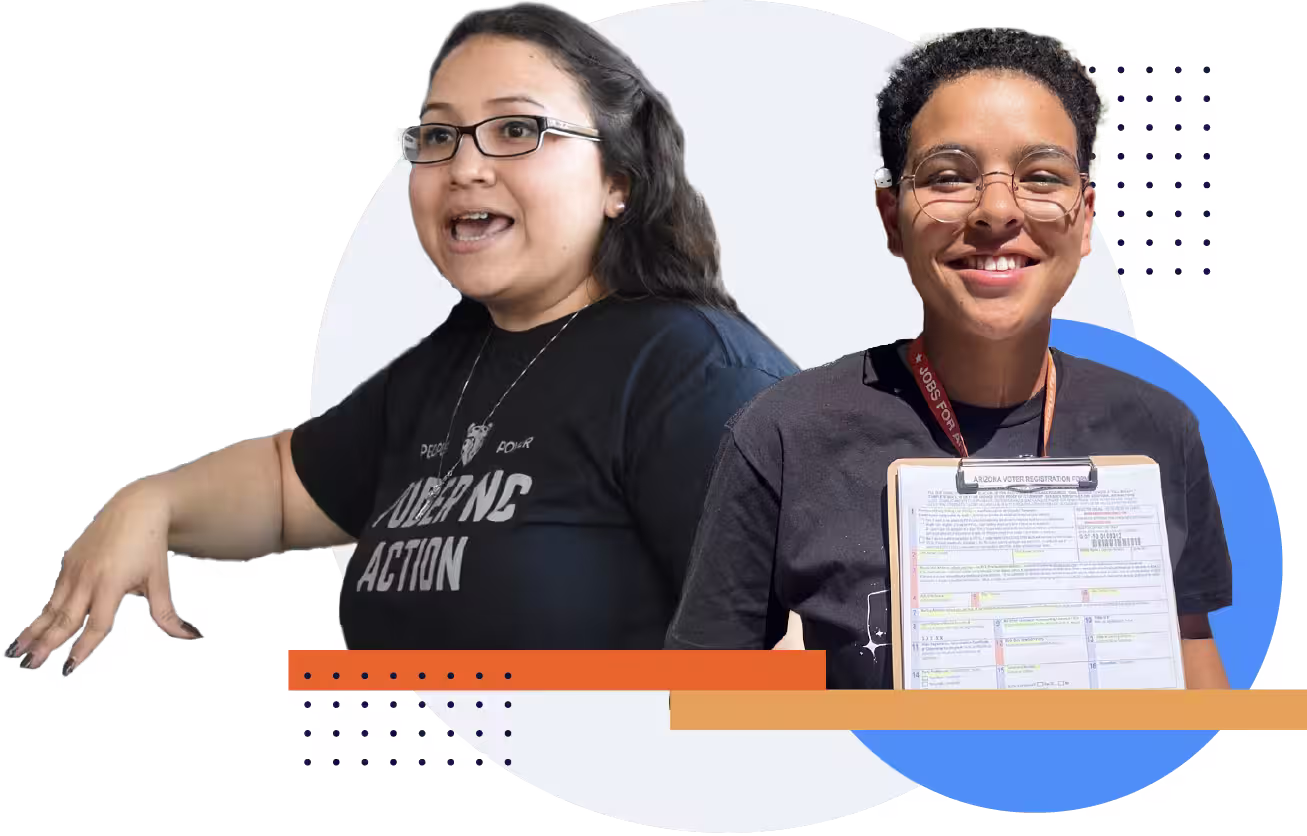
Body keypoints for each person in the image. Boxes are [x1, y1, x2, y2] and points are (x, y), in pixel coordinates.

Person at [5, 0, 796, 676]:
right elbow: (287, 486)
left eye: (516, 129)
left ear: (618, 179)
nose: (463, 167)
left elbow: (795, 675)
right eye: (437, 137)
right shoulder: (453, 361)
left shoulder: (694, 374)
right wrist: (148, 500)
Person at [665, 27, 1232, 689]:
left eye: (1040, 176)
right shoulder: (784, 434)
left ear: (1083, 220)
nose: (995, 210)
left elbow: (1190, 651)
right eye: (948, 177)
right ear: (891, 218)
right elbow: (703, 700)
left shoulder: (1158, 427)